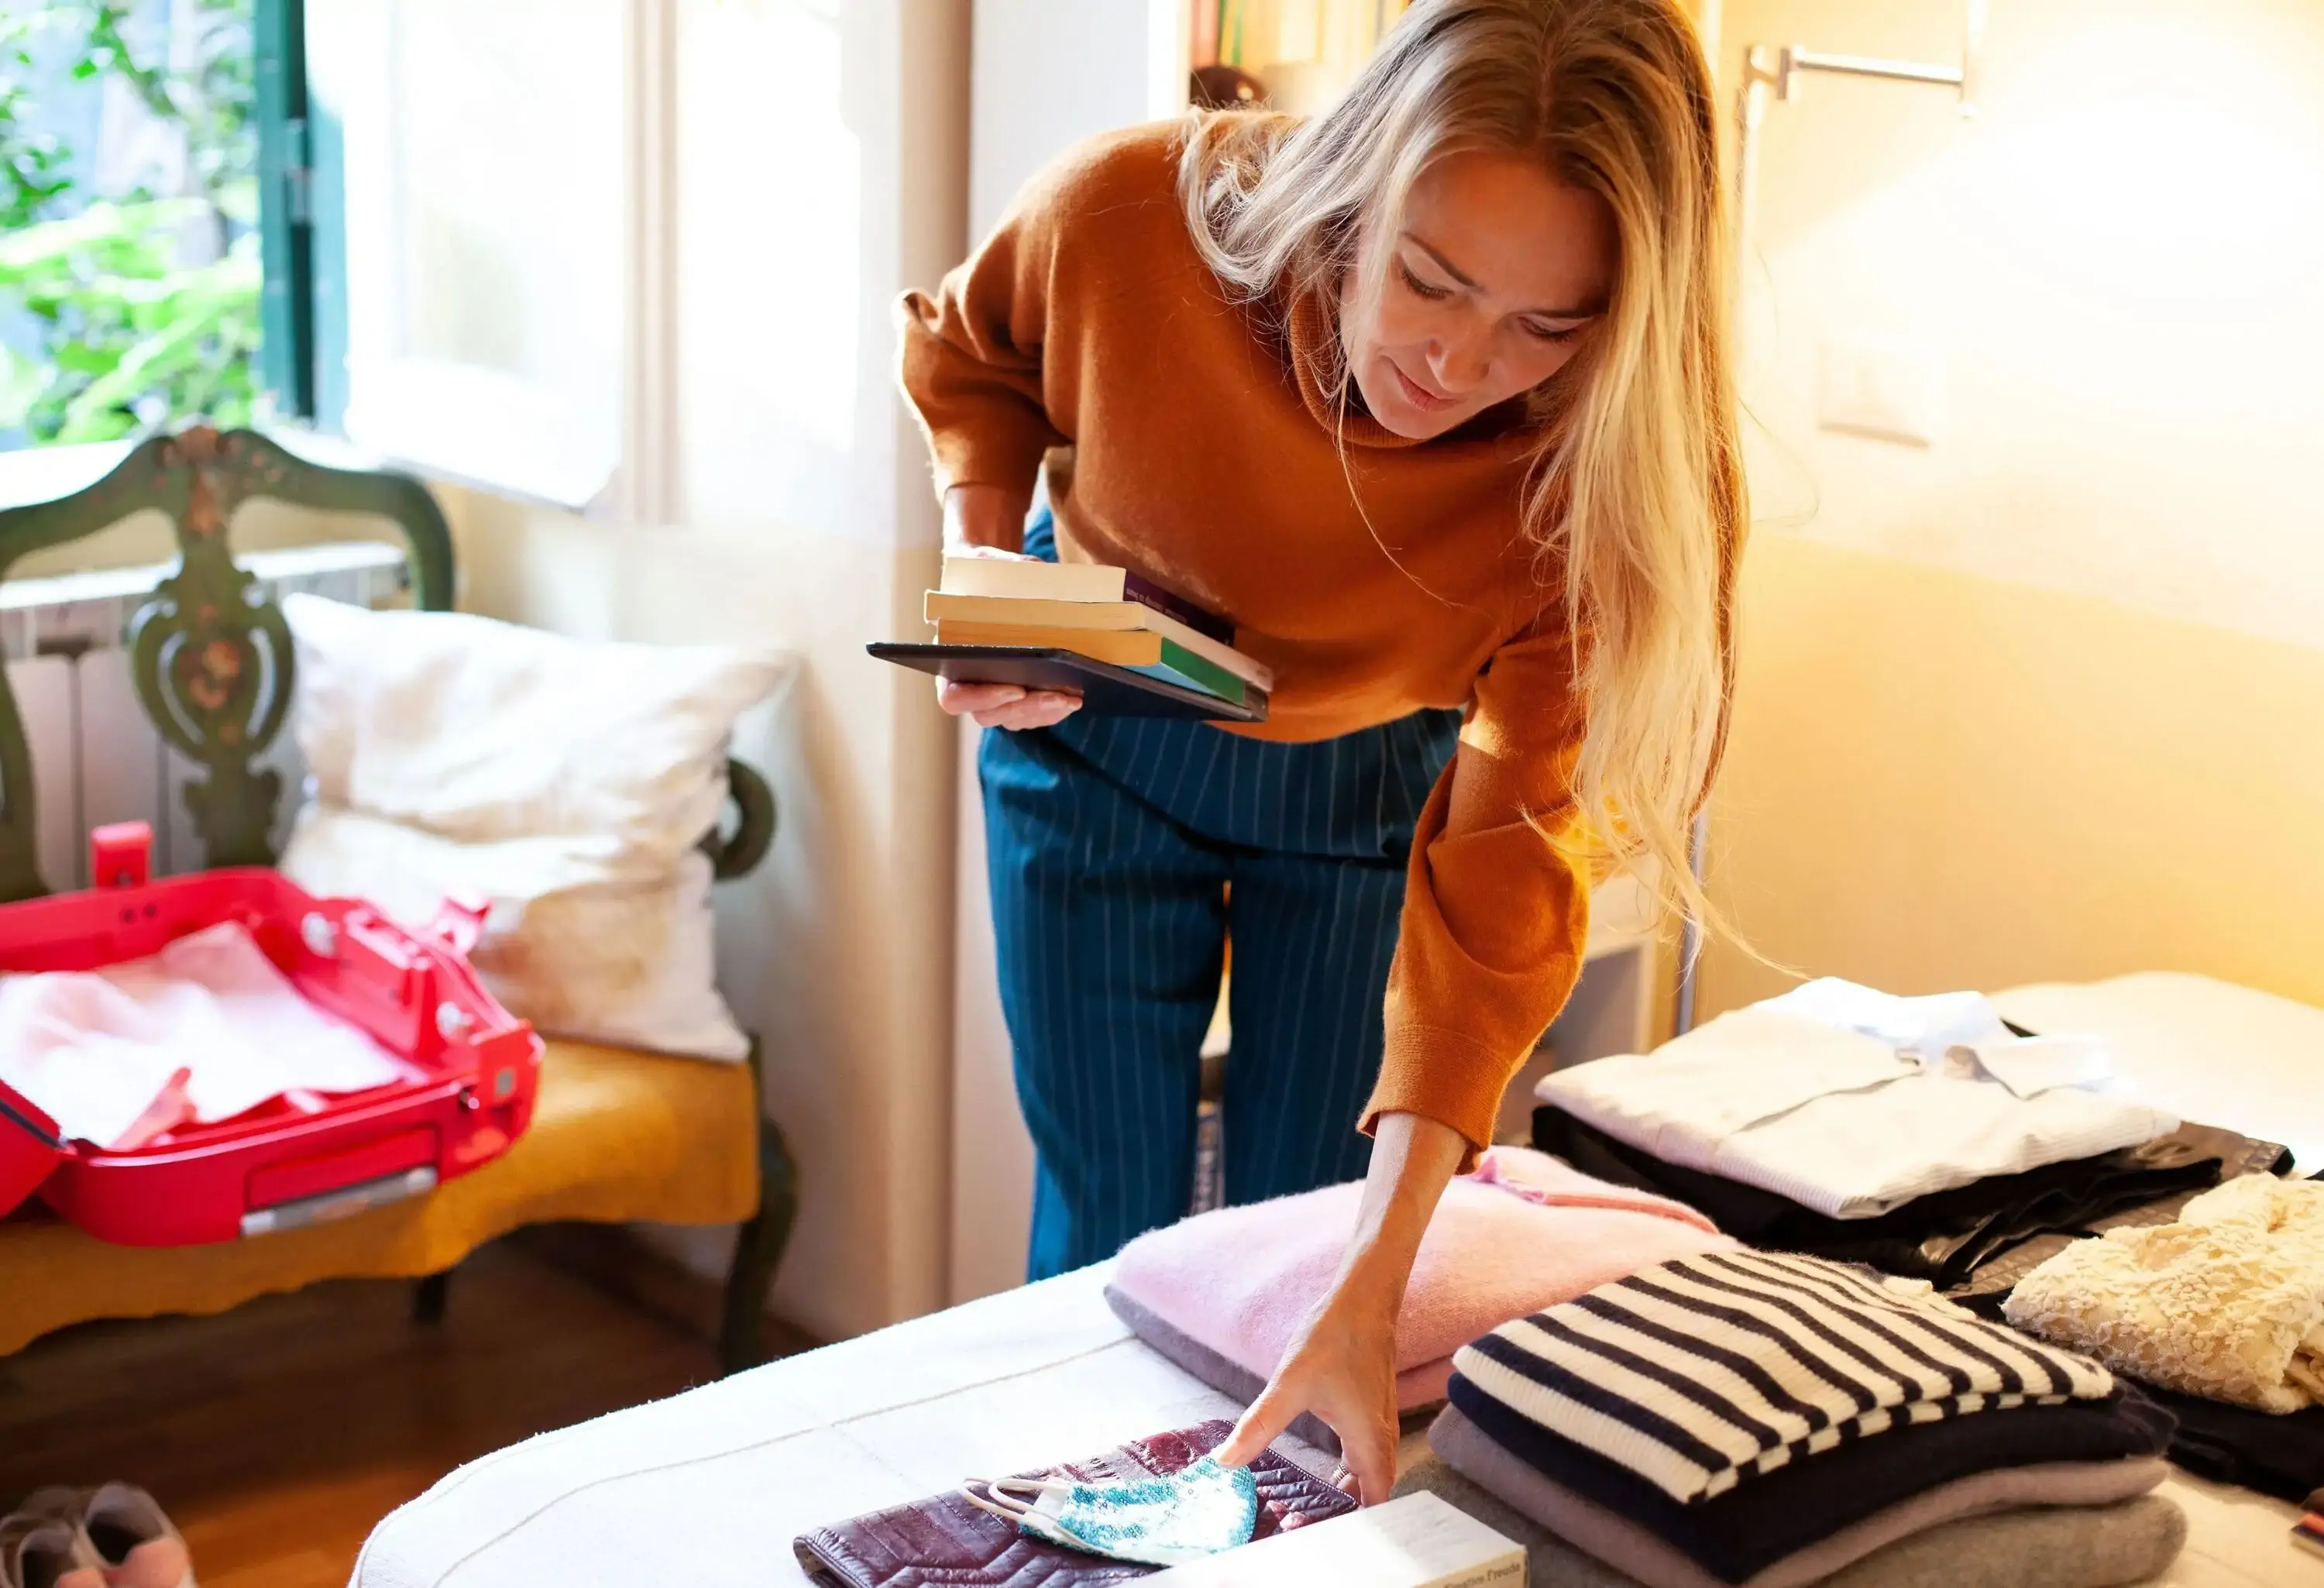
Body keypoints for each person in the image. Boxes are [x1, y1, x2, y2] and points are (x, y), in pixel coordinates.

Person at [896, 0, 1741, 1505]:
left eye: (1547, 325)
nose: (1459, 359)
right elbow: (975, 355)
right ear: (1361, 177)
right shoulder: (1130, 212)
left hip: (1368, 781)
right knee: (1106, 1225)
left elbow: (1498, 907)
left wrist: (1374, 1279)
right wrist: (990, 577)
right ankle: (1066, 1532)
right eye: (1429, 276)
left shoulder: (1599, 475)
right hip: (1093, 726)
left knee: (1301, 1239)